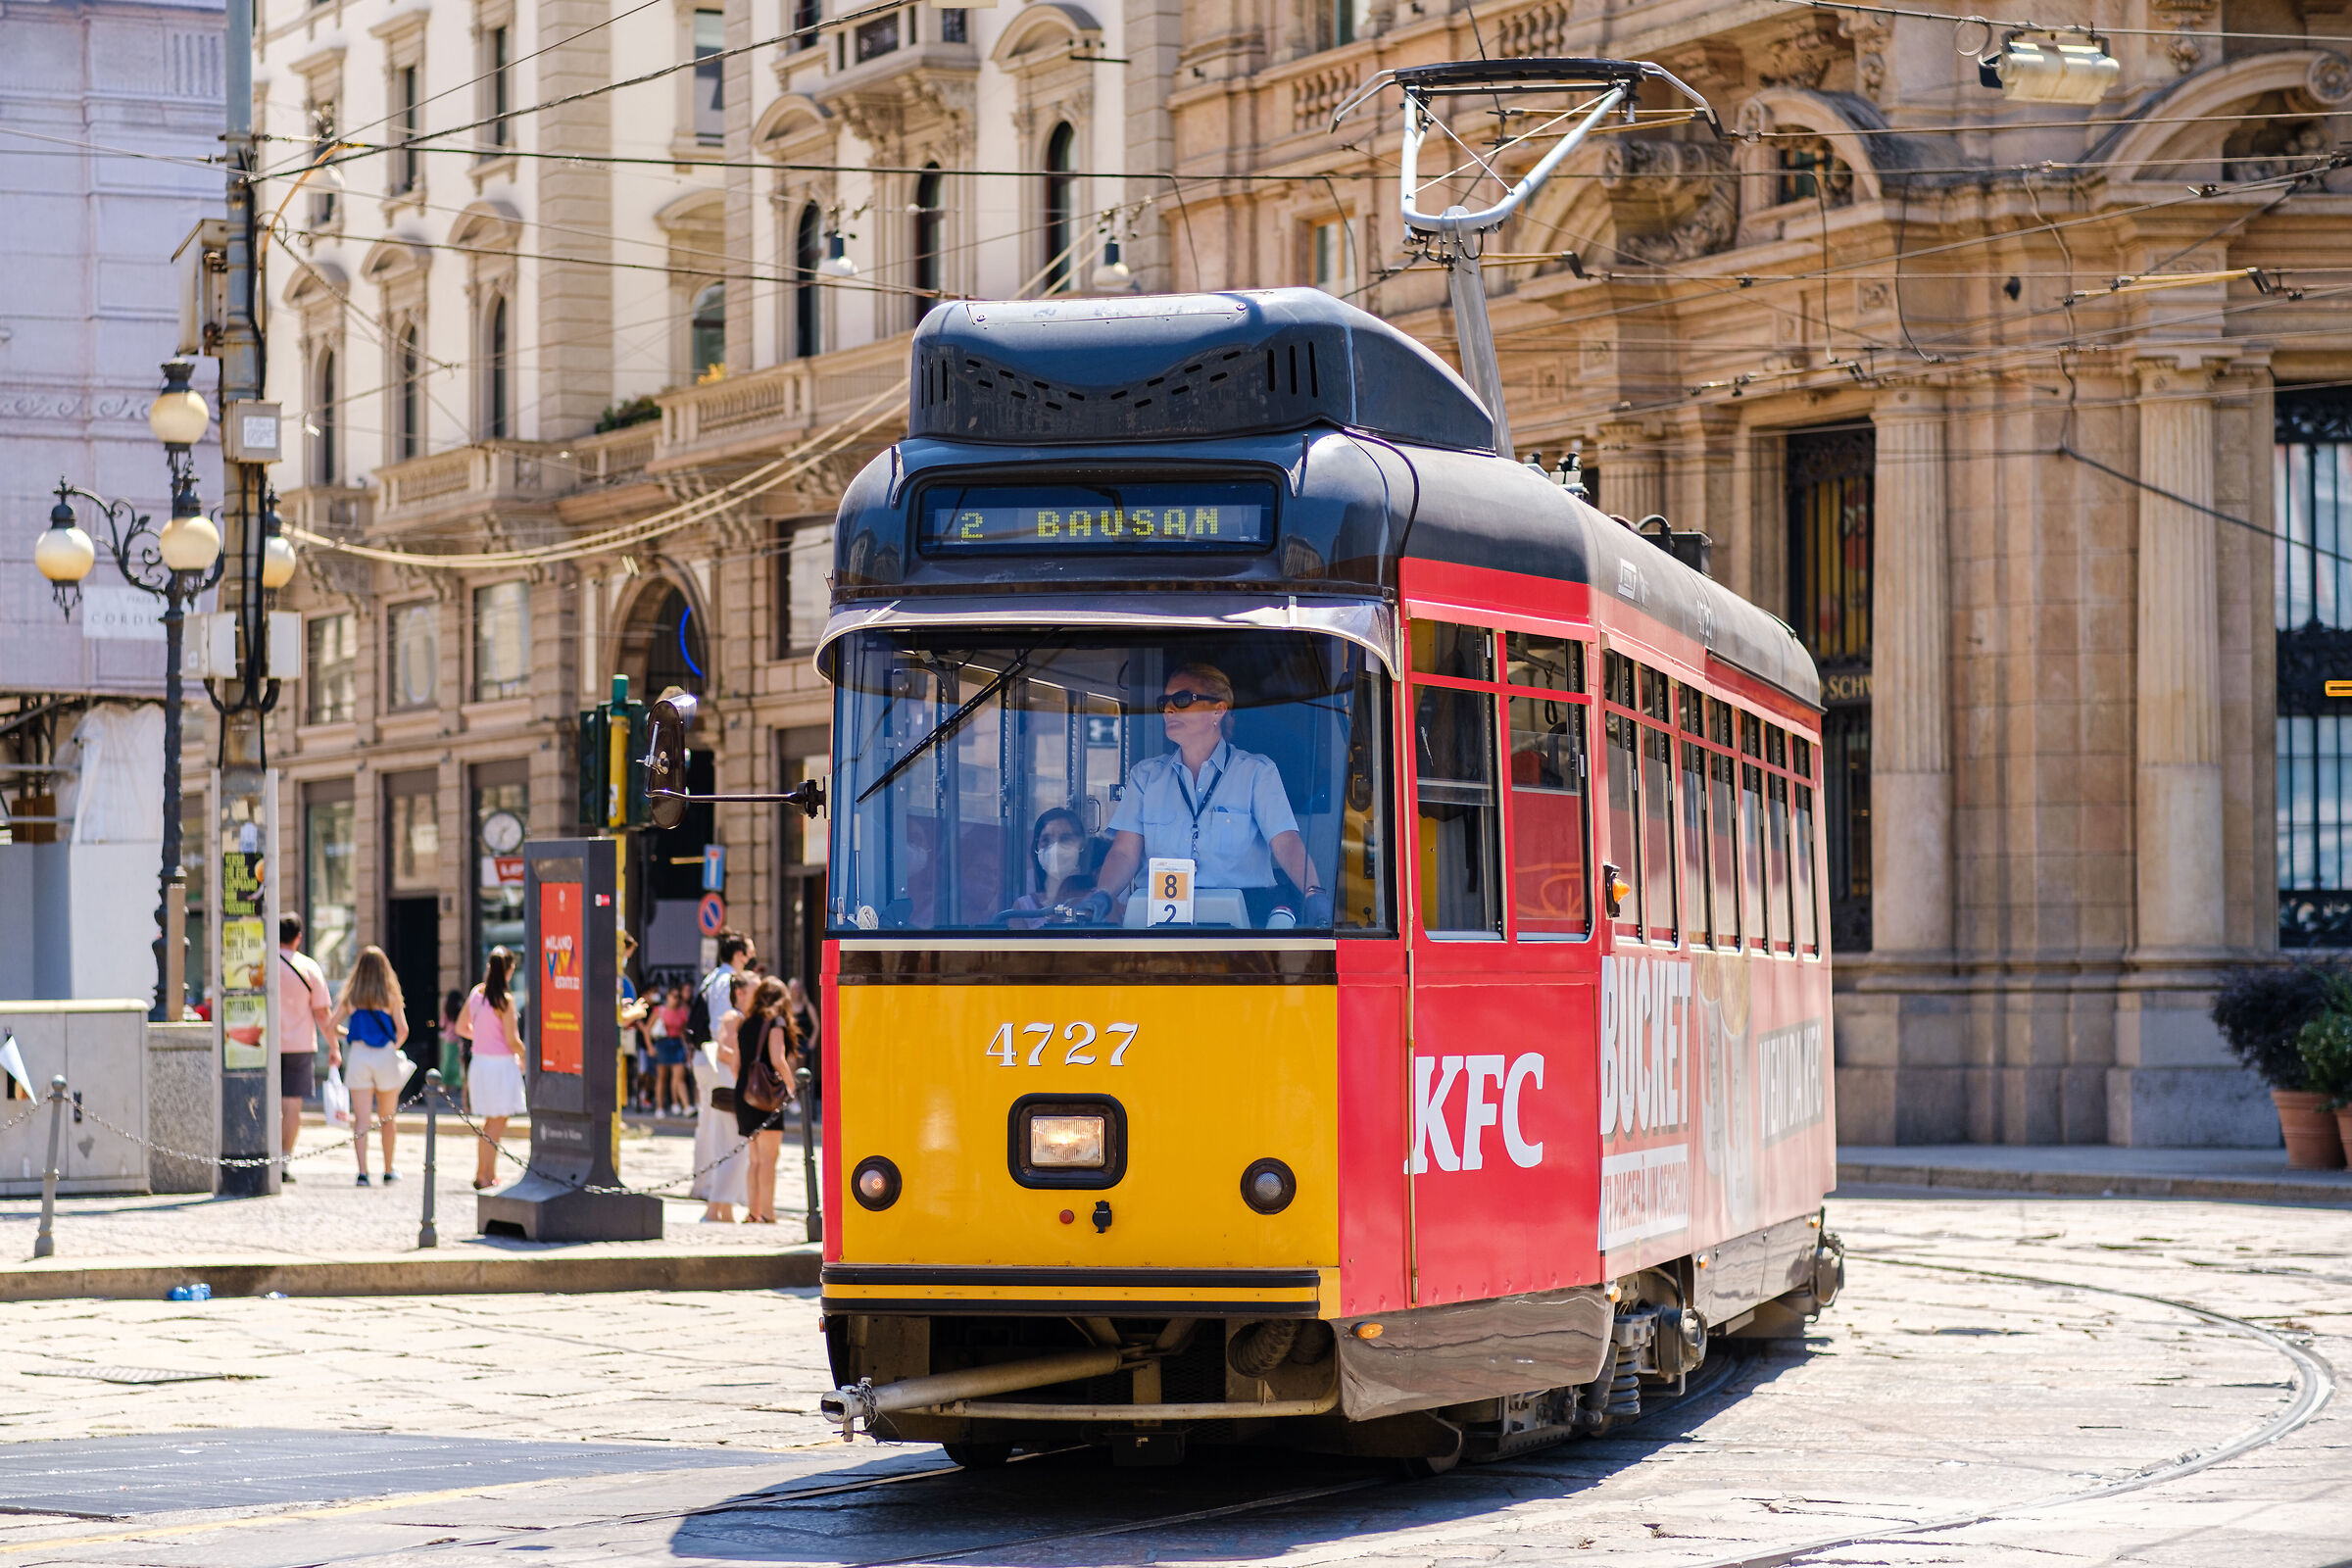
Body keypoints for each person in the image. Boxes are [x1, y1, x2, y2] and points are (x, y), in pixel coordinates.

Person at [1088, 662, 1330, 926]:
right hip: (1159, 921)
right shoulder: (1145, 776)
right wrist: (1103, 894)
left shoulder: (1256, 772)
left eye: (1181, 700)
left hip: (1244, 919)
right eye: (1164, 702)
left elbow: (1285, 842)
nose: (1169, 709)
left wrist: (1313, 892)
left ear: (1218, 710)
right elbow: (1124, 853)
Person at [329, 946, 410, 1186]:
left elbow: (331, 1025)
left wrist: (349, 1035)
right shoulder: (390, 995)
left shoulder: (352, 996)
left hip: (359, 1056)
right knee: (388, 1118)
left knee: (361, 1119)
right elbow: (403, 1030)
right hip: (384, 1055)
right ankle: (388, 1169)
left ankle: (362, 1173)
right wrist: (390, 1047)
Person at [454, 947, 528, 1190]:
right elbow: (512, 1040)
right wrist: (527, 1054)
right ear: (509, 970)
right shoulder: (505, 1000)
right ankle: (486, 1175)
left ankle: (484, 1173)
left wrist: (481, 1037)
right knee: (496, 1124)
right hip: (500, 1066)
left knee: (489, 1123)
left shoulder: (478, 994)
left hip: (481, 1064)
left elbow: (461, 1026)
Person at [273, 914, 333, 1183]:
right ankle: (285, 1161)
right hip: (300, 1044)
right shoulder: (309, 967)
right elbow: (322, 1014)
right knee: (292, 1104)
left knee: (268, 1102)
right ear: (298, 937)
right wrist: (334, 1045)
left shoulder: (264, 964)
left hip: (267, 1044)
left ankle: (266, 1156)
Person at [733, 975, 796, 1223]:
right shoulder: (776, 1022)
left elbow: (737, 1063)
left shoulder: (746, 1022)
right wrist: (793, 1087)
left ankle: (754, 1211)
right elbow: (778, 1059)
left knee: (755, 1159)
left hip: (745, 1092)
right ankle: (768, 1213)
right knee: (769, 1160)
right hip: (766, 1096)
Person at [693, 971, 752, 1223]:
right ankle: (718, 1208)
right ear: (740, 992)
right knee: (734, 1150)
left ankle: (721, 1209)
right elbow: (724, 1052)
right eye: (753, 989)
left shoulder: (734, 1016)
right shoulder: (732, 1016)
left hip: (730, 1084)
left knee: (731, 1150)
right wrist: (748, 1061)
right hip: (731, 1085)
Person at [1009, 808, 1094, 929]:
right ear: (1036, 847)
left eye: (1065, 839)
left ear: (1081, 845)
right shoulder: (1023, 907)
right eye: (1046, 840)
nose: (1055, 849)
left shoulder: (1098, 902)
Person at [784, 976, 821, 1119]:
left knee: (801, 1066)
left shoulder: (807, 1006)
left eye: (799, 988)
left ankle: (800, 1095)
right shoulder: (787, 1006)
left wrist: (813, 1040)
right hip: (791, 1041)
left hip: (804, 1042)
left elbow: (817, 1025)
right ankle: (793, 1097)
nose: (796, 991)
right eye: (794, 988)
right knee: (791, 1063)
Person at [656, 984, 693, 1118]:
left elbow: (684, 1032)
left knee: (679, 1077)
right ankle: (659, 1107)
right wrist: (649, 1046)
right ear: (668, 996)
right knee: (662, 1077)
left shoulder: (681, 1012)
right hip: (663, 1043)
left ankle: (684, 1105)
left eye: (678, 997)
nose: (676, 999)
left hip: (677, 1043)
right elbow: (648, 1029)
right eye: (674, 996)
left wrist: (687, 1048)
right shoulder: (660, 1011)